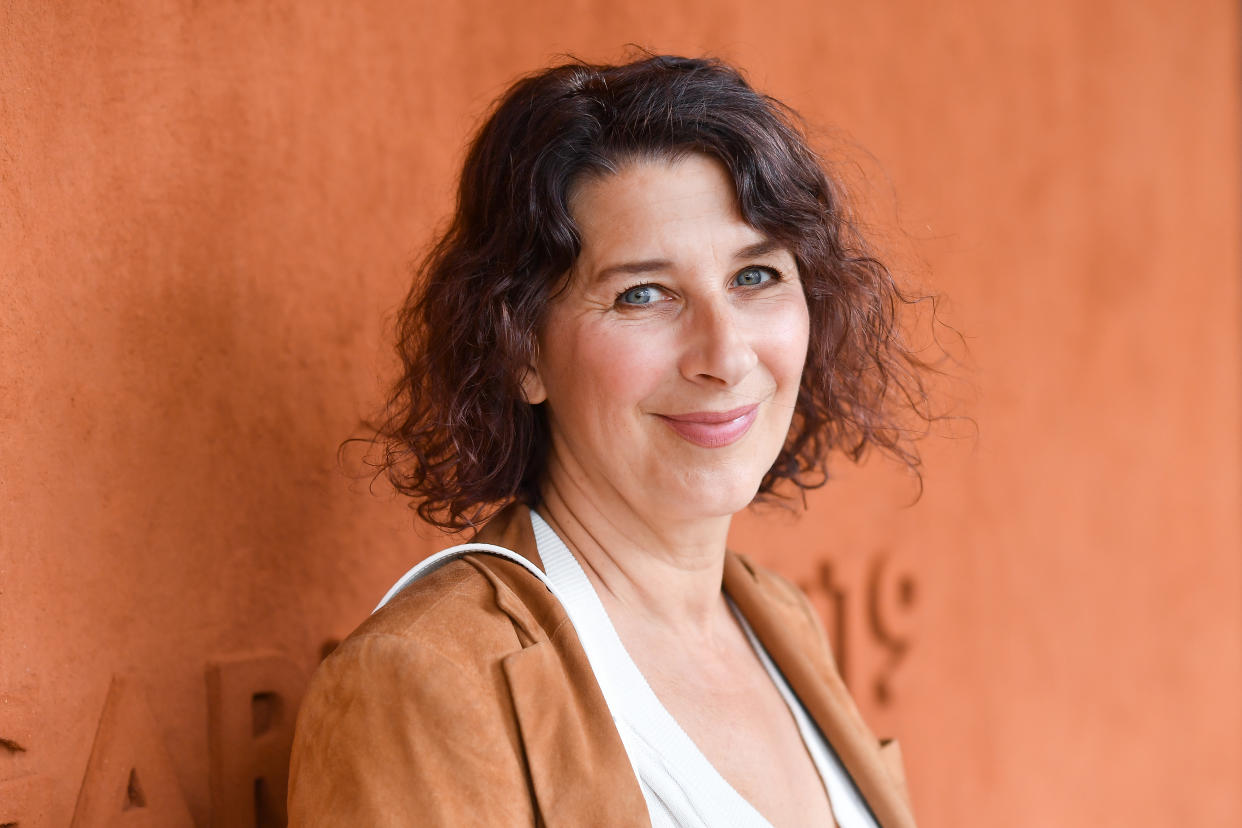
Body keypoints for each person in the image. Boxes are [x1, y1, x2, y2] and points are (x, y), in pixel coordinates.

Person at [288, 54, 929, 827]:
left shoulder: (777, 620)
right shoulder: (426, 680)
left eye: (755, 277)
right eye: (643, 294)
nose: (724, 356)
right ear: (521, 351)